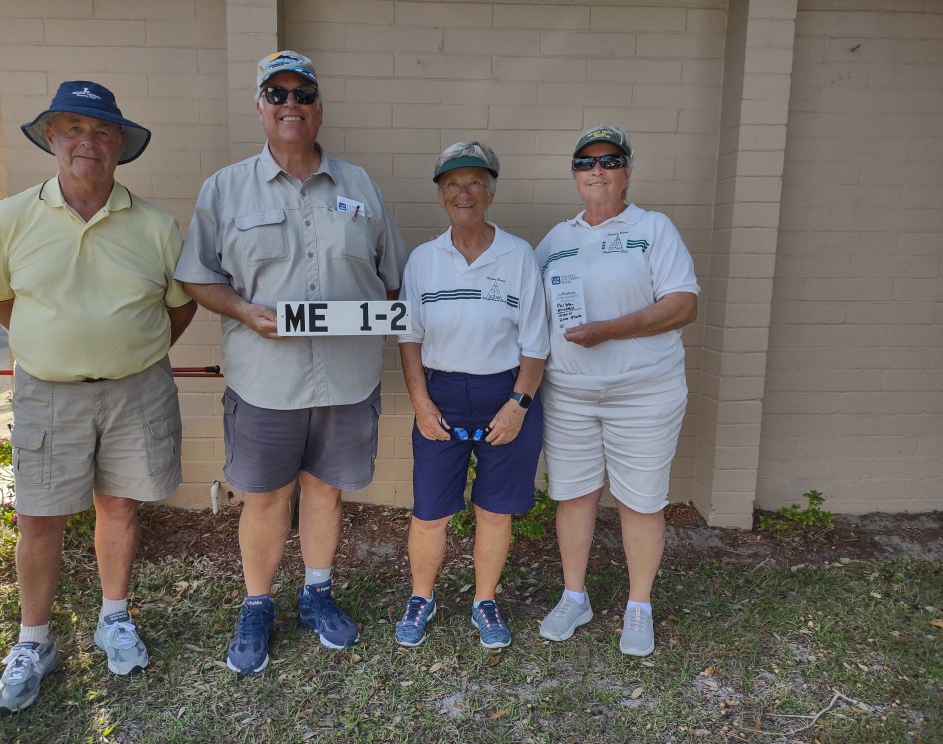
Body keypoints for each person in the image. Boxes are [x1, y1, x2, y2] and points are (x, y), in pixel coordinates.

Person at [174, 51, 407, 674]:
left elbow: (392, 281)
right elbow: (197, 276)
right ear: (259, 107)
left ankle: (316, 593)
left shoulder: (362, 187)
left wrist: (381, 318)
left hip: (347, 380)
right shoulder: (224, 189)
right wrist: (244, 311)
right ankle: (257, 604)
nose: (290, 104)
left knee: (326, 492)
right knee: (265, 497)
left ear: (319, 108)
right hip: (265, 381)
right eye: (276, 94)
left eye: (302, 93)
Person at [0, 81, 197, 714]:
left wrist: (124, 349)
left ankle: (114, 617)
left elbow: (178, 309)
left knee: (120, 505)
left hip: (135, 391)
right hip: (48, 394)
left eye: (102, 130)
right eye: (73, 127)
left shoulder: (156, 225)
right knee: (39, 516)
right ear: (50, 137)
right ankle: (34, 641)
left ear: (120, 144)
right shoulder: (9, 218)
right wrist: (56, 348)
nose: (87, 141)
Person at [534, 125, 699, 657]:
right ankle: (574, 596)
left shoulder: (652, 228)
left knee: (641, 501)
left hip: (643, 394)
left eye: (609, 160)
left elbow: (683, 305)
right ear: (574, 175)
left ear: (627, 171)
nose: (597, 170)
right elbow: (530, 313)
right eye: (585, 162)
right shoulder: (555, 240)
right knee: (574, 496)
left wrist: (609, 330)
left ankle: (639, 605)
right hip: (570, 395)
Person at [394, 142, 548, 650]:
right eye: (453, 184)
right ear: (441, 196)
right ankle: (422, 597)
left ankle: (484, 600)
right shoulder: (423, 259)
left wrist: (518, 406)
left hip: (504, 392)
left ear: (491, 192)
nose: (465, 193)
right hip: (441, 394)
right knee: (429, 511)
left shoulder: (518, 255)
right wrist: (421, 403)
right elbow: (409, 338)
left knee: (494, 511)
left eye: (475, 182)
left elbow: (535, 342)